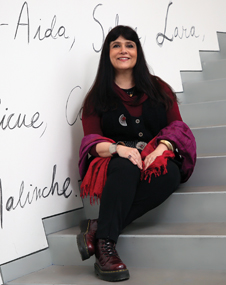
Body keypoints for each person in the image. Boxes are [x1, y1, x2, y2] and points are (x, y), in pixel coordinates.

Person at [77, 25, 196, 282]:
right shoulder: (96, 97)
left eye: (129, 45)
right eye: (116, 45)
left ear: (137, 52)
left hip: (155, 156)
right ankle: (106, 246)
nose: (123, 50)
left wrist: (162, 148)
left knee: (170, 174)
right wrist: (119, 149)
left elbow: (177, 126)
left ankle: (97, 227)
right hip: (117, 162)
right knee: (125, 165)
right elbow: (91, 141)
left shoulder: (158, 88)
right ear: (107, 54)